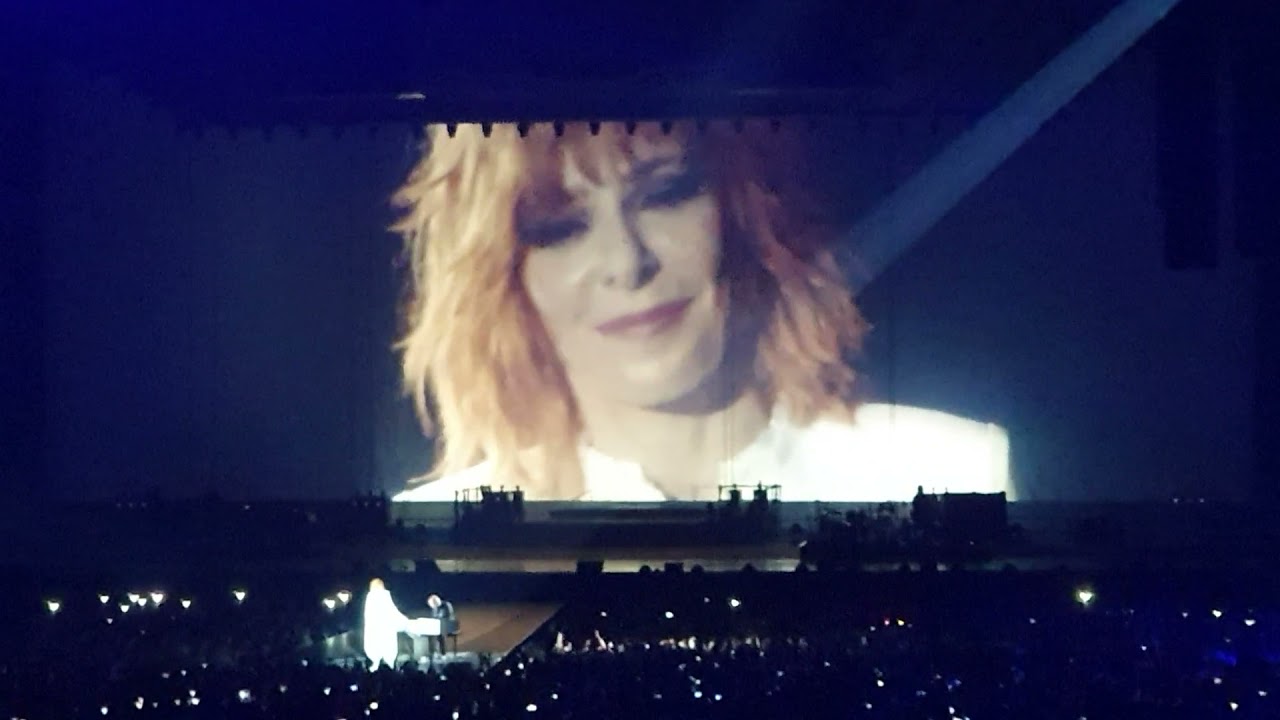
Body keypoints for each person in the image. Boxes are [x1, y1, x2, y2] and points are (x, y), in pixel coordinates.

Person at [390, 121, 1012, 502]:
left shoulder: (948, 471)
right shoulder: (432, 541)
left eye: (665, 194)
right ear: (500, 276)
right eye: (560, 227)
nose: (626, 262)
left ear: (742, 211)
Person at [362, 578, 408, 671]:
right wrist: (407, 623)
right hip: (386, 637)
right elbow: (394, 615)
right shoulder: (383, 597)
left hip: (374, 637)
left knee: (379, 659)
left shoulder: (370, 600)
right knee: (388, 658)